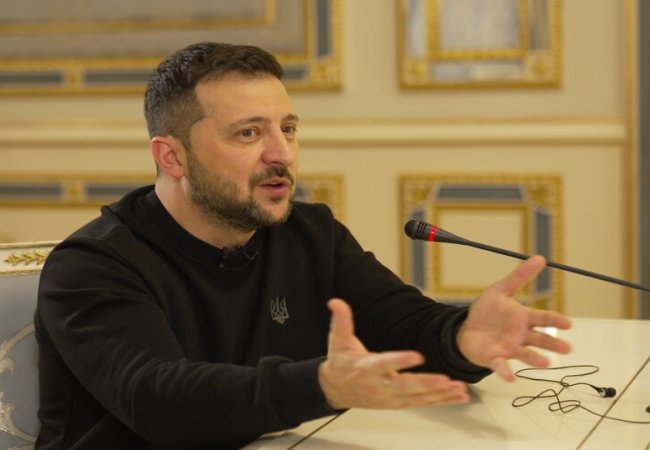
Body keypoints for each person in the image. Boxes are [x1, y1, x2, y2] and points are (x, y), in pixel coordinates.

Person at [34, 42, 572, 450]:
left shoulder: (309, 233)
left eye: (288, 129)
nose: (282, 154)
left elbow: (404, 328)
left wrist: (461, 338)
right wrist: (321, 385)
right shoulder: (94, 265)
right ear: (171, 157)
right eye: (249, 133)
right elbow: (160, 401)